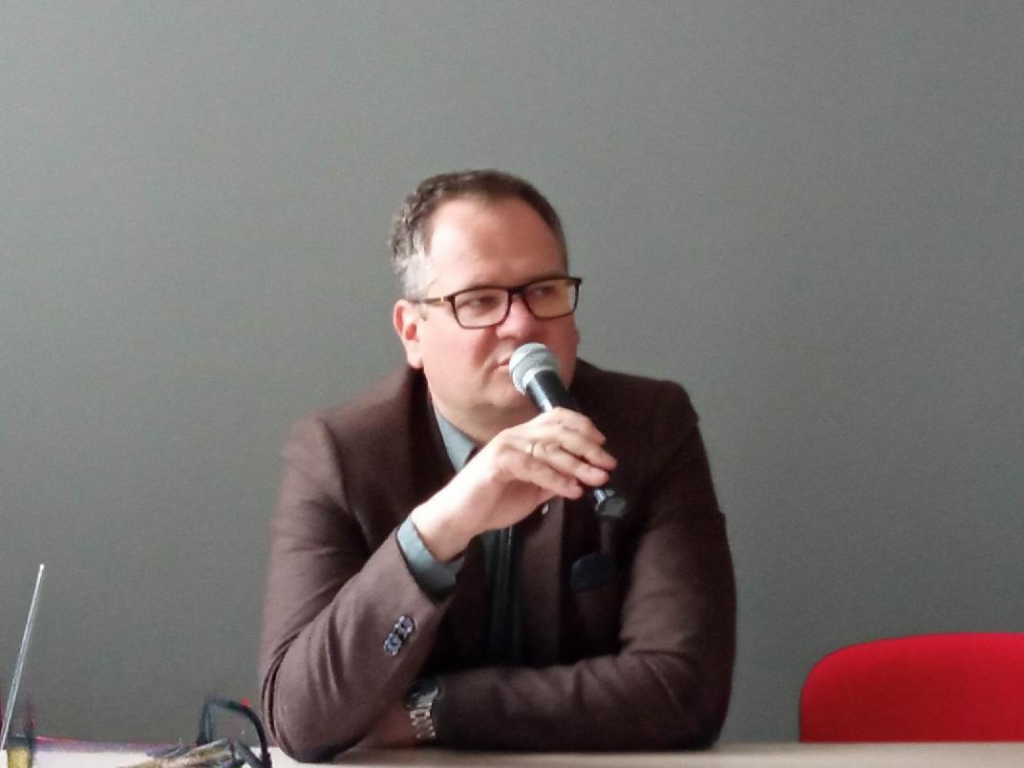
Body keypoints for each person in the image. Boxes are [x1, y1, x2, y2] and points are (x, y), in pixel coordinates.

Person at [259, 170, 736, 761]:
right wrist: (438, 529)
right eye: (480, 300)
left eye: (544, 291)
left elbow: (683, 693)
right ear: (412, 332)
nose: (522, 325)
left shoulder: (649, 427)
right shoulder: (338, 454)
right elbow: (300, 719)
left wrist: (432, 710)